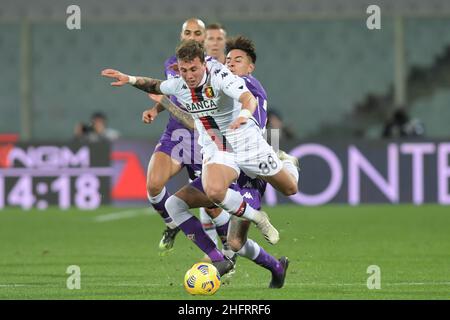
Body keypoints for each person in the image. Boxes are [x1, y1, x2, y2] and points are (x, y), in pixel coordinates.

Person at [101, 40, 299, 277]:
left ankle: (287, 162)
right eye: (184, 71)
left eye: (193, 69)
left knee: (290, 188)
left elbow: (249, 100)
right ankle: (238, 239)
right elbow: (155, 85)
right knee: (194, 198)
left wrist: (244, 116)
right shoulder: (180, 85)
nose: (189, 75)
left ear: (203, 64)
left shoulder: (220, 76)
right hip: (220, 149)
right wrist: (129, 79)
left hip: (247, 144)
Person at [149, 36, 291, 288]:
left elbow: (246, 122)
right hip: (224, 161)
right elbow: (201, 119)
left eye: (237, 60)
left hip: (248, 166)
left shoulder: (246, 88)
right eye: (227, 60)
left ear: (250, 67)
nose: (230, 64)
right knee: (202, 213)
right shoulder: (220, 86)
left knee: (236, 241)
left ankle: (286, 162)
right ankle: (272, 266)